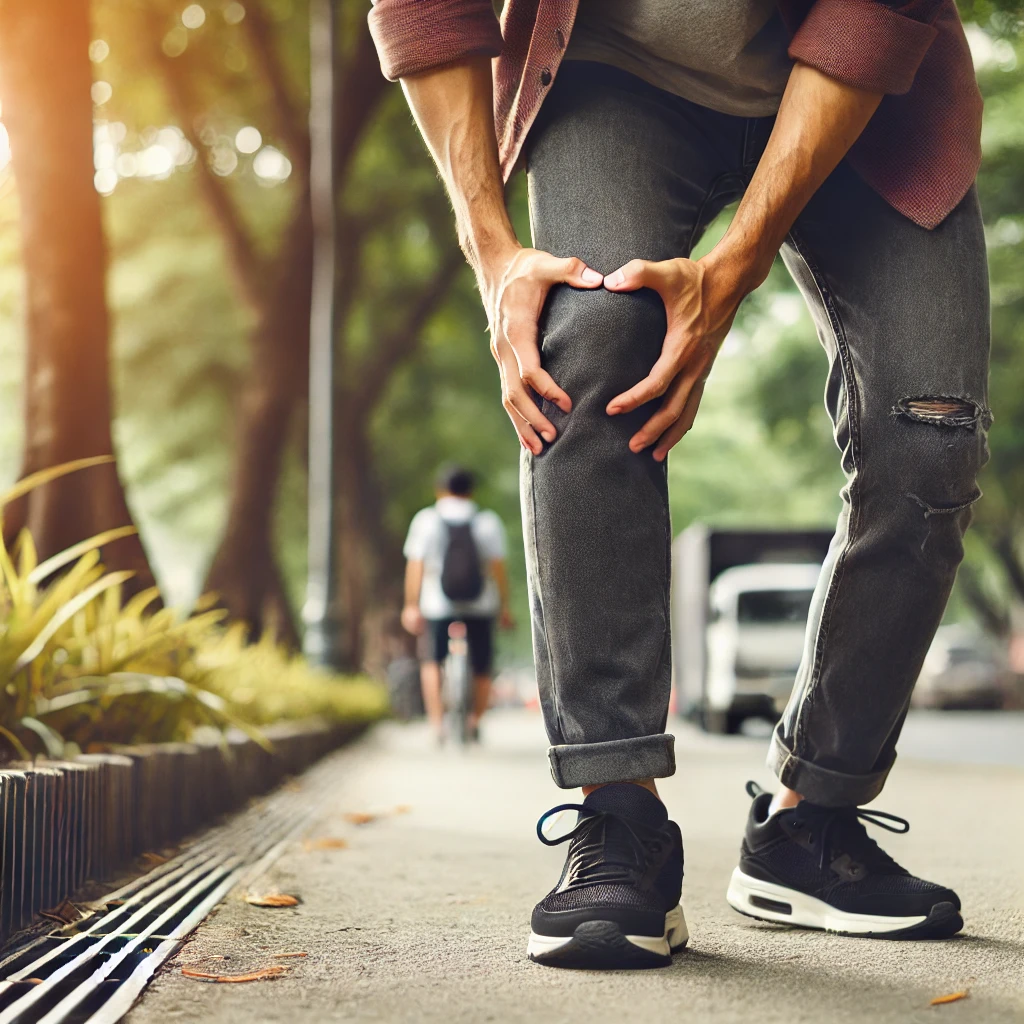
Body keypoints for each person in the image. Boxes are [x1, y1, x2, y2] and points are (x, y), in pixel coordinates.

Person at [370, 0, 989, 967]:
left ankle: (809, 825)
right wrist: (494, 257)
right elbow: (426, 12)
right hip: (619, 79)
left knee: (931, 433)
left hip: (864, 91)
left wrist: (731, 270)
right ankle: (617, 816)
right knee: (581, 352)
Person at [402, 465, 513, 742]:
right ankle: (475, 720)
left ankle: (438, 725)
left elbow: (416, 566)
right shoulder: (487, 520)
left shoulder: (426, 520)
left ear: (440, 490)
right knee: (483, 664)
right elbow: (498, 569)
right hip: (480, 603)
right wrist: (504, 608)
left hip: (437, 603)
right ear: (471, 491)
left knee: (432, 661)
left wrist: (411, 605)